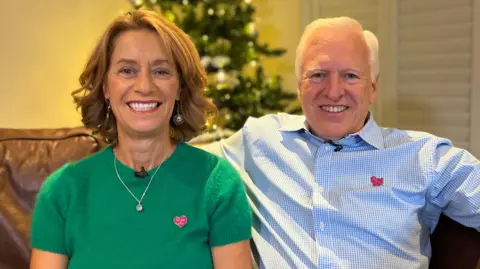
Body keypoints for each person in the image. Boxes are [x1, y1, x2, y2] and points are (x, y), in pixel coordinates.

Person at [201, 17, 480, 268]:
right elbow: (177, 161)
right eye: (318, 75)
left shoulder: (424, 157)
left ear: (372, 87)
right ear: (299, 86)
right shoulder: (259, 140)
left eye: (350, 76)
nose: (333, 92)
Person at [30, 9, 252, 269]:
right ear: (105, 88)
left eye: (161, 71)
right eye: (127, 70)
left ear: (179, 88)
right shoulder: (62, 192)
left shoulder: (218, 185)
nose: (145, 86)